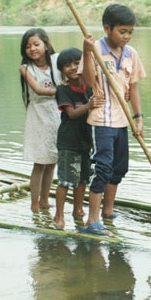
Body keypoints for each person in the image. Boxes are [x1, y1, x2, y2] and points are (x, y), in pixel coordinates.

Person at [79, 4, 146, 236]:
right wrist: (87, 53)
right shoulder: (96, 48)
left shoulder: (131, 54)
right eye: (122, 31)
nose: (126, 36)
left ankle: (108, 212)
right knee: (103, 168)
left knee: (119, 168)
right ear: (107, 28)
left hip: (122, 120)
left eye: (130, 32)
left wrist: (138, 118)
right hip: (102, 120)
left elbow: (134, 88)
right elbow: (88, 81)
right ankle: (92, 220)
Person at [53, 47, 104, 229]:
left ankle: (78, 210)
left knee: (82, 178)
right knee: (66, 180)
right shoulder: (64, 90)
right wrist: (89, 105)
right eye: (67, 66)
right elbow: (72, 114)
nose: (73, 68)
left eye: (77, 63)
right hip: (69, 142)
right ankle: (58, 216)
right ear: (62, 71)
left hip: (86, 141)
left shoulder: (89, 87)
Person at [19, 28, 61, 213]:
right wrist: (61, 91)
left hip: (57, 114)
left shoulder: (56, 61)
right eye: (28, 46)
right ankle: (34, 203)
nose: (32, 49)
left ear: (47, 45)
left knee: (52, 160)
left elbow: (77, 66)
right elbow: (37, 89)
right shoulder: (26, 68)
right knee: (39, 161)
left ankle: (45, 200)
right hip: (38, 116)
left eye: (36, 44)